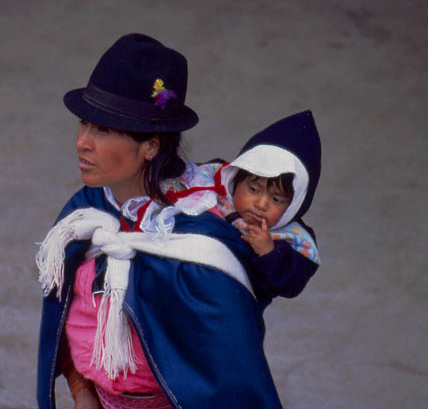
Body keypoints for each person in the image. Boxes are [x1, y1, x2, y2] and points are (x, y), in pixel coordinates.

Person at [35, 33, 282, 409]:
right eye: (83, 124)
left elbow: (231, 378)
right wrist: (82, 391)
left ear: (151, 145)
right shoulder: (84, 214)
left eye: (102, 130)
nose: (82, 142)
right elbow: (68, 313)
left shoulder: (199, 254)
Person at [196, 110, 322, 306]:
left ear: (293, 207)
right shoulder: (209, 185)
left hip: (231, 314)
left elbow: (292, 284)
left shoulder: (292, 240)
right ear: (235, 179)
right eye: (253, 189)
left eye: (277, 200)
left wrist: (269, 252)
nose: (261, 204)